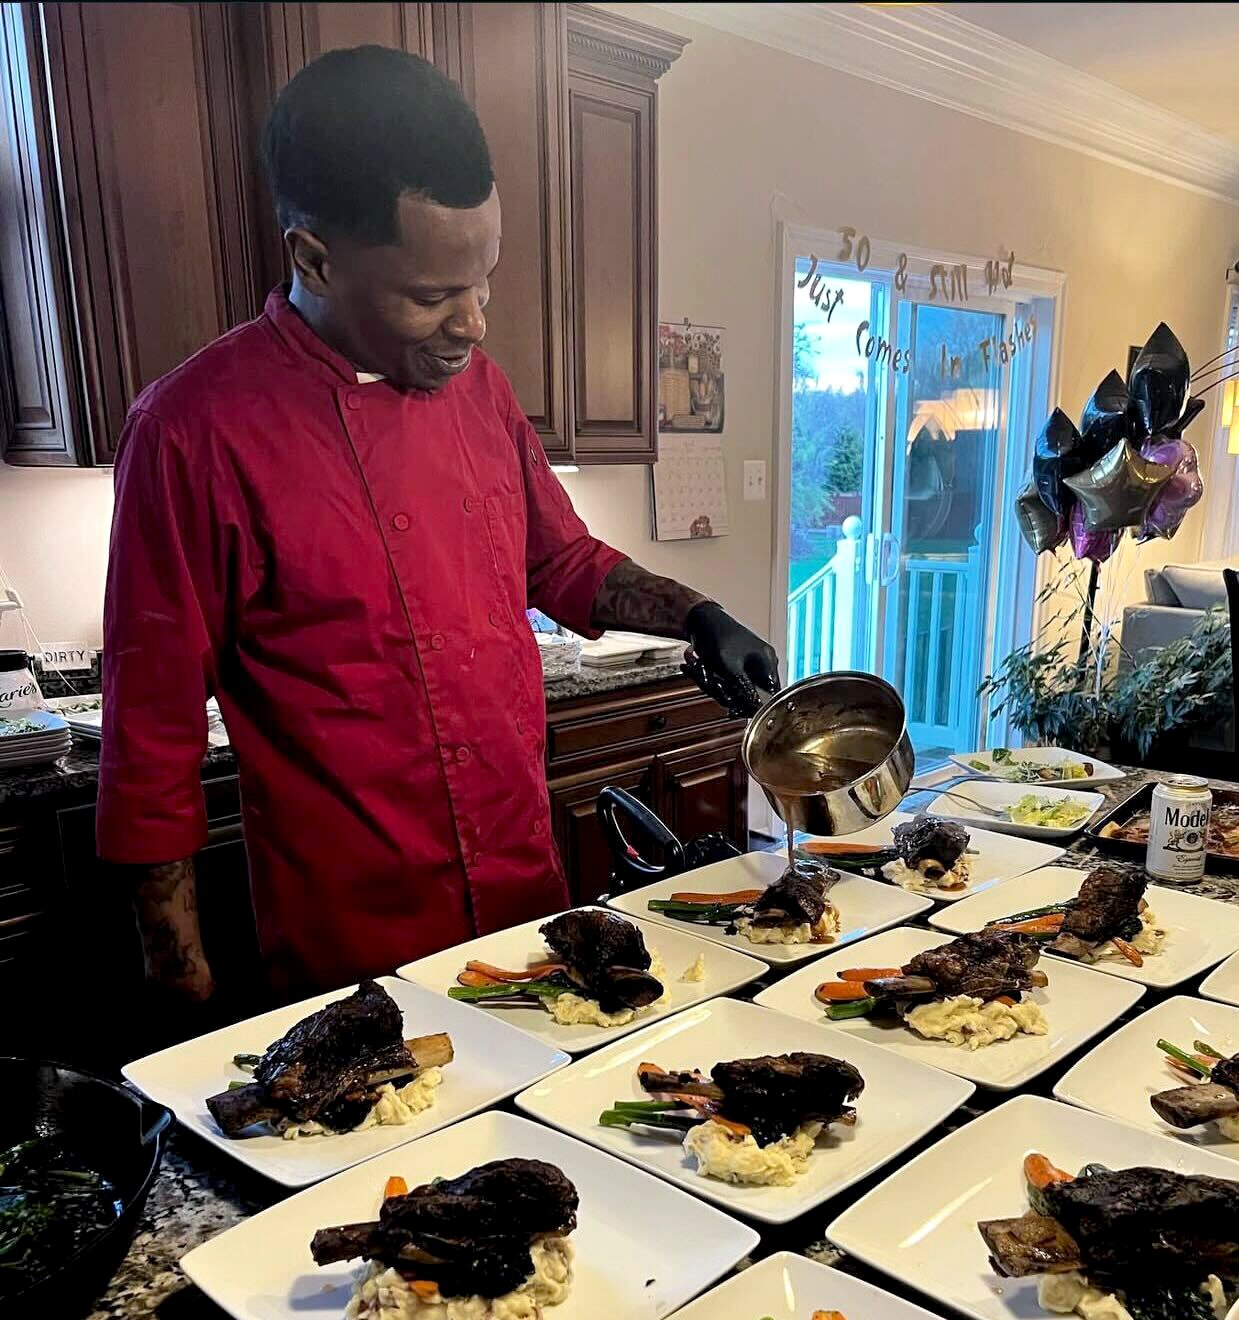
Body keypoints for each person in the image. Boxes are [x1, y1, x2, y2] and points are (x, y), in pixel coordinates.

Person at [96, 46, 778, 1003]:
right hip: (351, 952)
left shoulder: (480, 391)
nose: (474, 323)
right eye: (430, 296)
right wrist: (182, 1001)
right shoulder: (191, 433)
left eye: (483, 281)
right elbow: (150, 744)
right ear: (315, 259)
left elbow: (563, 559)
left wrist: (696, 614)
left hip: (526, 907)